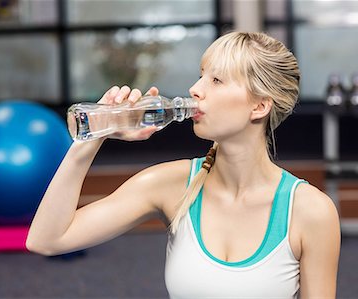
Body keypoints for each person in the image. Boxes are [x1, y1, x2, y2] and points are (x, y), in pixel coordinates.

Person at [27, 31, 341, 298]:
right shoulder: (172, 185)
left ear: (259, 106)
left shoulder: (310, 211)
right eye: (201, 74)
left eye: (216, 79)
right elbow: (47, 240)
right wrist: (93, 136)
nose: (195, 89)